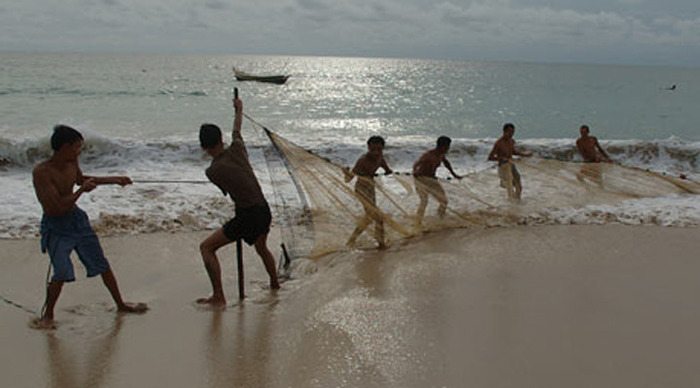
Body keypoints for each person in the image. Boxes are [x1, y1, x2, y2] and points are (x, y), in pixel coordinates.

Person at [32, 125, 147, 329]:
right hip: (56, 225)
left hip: (76, 220)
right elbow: (56, 207)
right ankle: (47, 315)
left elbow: (80, 180)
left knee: (100, 262)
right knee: (61, 271)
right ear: (65, 147)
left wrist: (114, 180)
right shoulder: (42, 172)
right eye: (77, 147)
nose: (79, 151)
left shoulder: (71, 161)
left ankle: (120, 304)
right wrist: (81, 192)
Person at [197, 96, 279, 307]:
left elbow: (226, 191)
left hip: (247, 216)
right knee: (262, 248)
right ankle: (274, 283)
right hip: (263, 210)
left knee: (206, 248)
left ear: (204, 147)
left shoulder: (212, 171)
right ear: (221, 139)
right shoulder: (238, 147)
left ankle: (219, 297)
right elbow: (237, 128)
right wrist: (238, 108)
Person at [343, 136, 393, 249]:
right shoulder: (362, 161)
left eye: (379, 149)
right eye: (373, 149)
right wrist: (346, 173)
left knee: (369, 217)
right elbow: (349, 179)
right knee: (378, 217)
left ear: (382, 149)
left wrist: (388, 171)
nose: (376, 152)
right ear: (368, 148)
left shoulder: (380, 158)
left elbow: (387, 170)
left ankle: (351, 240)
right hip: (361, 190)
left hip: (371, 188)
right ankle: (381, 244)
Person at [412, 136, 462, 227]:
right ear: (441, 146)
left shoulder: (440, 154)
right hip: (421, 179)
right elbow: (417, 163)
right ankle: (418, 222)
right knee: (424, 201)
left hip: (432, 180)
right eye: (447, 147)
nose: (448, 149)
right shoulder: (429, 155)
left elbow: (446, 163)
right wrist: (414, 171)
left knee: (444, 201)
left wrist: (454, 175)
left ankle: (440, 218)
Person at [487, 123, 531, 200]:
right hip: (503, 166)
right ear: (504, 131)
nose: (511, 134)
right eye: (510, 132)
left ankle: (517, 200)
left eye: (513, 132)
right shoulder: (499, 143)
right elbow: (490, 157)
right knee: (510, 186)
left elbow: (513, 152)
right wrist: (501, 158)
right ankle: (511, 203)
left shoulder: (511, 141)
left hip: (511, 164)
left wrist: (524, 154)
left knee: (518, 181)